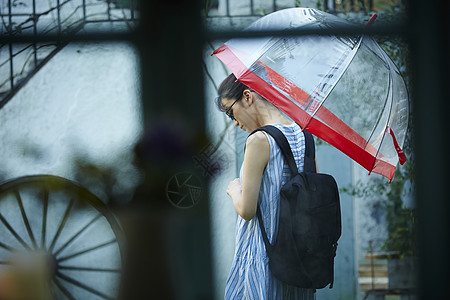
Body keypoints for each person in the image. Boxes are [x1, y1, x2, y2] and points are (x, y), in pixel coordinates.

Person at [216, 74, 316, 300]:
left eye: (231, 112)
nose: (234, 122)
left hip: (263, 254)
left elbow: (247, 210)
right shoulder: (304, 135)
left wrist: (234, 190)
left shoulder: (258, 140)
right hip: (297, 258)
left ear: (247, 96)